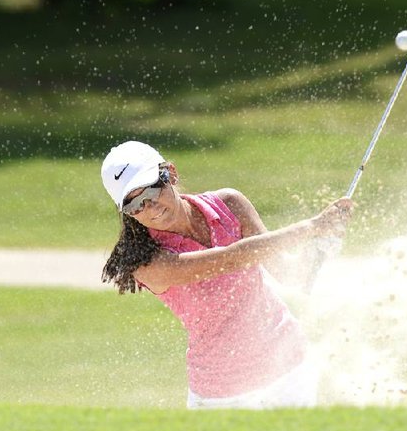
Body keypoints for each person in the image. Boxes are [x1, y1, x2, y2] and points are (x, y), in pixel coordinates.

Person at [100, 140, 352, 410]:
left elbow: (292, 276)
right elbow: (231, 258)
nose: (149, 207)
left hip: (289, 366)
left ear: (169, 173)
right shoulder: (148, 262)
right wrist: (310, 228)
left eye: (150, 190)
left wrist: (321, 246)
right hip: (222, 393)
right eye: (134, 204)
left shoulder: (229, 204)